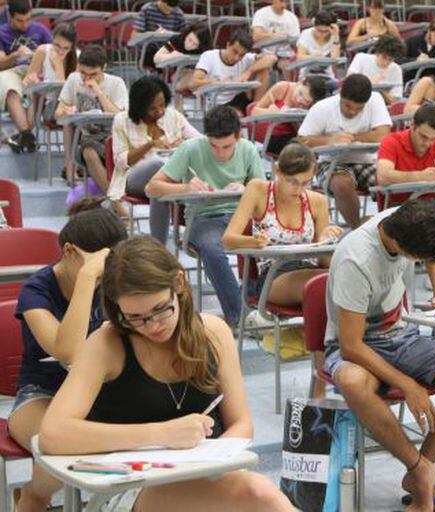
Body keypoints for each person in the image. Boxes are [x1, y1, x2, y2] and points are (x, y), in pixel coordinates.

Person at [37, 235, 294, 512]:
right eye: (135, 317)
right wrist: (163, 434)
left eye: (160, 309)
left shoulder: (213, 333)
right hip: (131, 484)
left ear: (179, 283)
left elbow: (242, 424)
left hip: (206, 470)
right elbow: (53, 434)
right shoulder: (106, 343)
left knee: (257, 493)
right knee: (257, 496)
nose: (152, 326)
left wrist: (205, 460)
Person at [324, 200, 435, 512]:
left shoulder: (406, 218)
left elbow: (432, 256)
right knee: (353, 381)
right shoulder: (356, 259)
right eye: (420, 259)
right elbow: (350, 346)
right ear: (401, 245)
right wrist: (407, 385)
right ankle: (420, 470)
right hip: (356, 344)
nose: (424, 263)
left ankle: (420, 475)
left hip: (401, 336)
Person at [9, 201, 127, 512]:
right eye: (99, 268)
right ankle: (34, 497)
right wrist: (87, 279)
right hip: (41, 393)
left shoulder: (112, 282)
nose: (105, 277)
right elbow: (68, 350)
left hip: (98, 393)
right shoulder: (36, 290)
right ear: (69, 252)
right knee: (61, 444)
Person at [222, 143, 342, 398]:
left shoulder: (317, 201)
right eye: (292, 182)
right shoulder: (258, 190)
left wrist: (326, 239)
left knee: (336, 284)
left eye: (305, 183)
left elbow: (324, 262)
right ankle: (323, 384)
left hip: (310, 272)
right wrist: (252, 241)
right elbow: (228, 239)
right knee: (330, 286)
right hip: (272, 277)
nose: (298, 189)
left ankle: (336, 373)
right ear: (277, 171)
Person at [145, 105, 266, 326]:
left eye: (226, 146)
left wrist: (246, 188)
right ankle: (240, 317)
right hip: (204, 218)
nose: (220, 152)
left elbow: (264, 194)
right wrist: (186, 188)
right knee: (212, 247)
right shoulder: (191, 148)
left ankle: (256, 299)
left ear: (238, 137)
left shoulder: (247, 149)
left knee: (269, 237)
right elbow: (151, 188)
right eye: (213, 146)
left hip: (241, 215)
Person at [377, 103, 435, 300]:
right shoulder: (392, 141)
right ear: (412, 125)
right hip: (402, 206)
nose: (427, 143)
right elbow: (383, 176)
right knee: (429, 224)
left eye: (433, 138)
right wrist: (419, 176)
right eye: (423, 136)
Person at [297, 73, 391, 228]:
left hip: (368, 161)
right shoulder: (322, 108)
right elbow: (302, 140)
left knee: (389, 180)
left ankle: (389, 229)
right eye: (347, 106)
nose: (352, 112)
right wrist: (329, 140)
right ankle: (358, 230)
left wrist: (351, 138)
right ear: (340, 96)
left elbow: (383, 134)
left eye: (359, 108)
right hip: (330, 163)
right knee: (342, 183)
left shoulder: (375, 100)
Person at [109, 75, 199, 207]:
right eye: (152, 109)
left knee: (168, 178)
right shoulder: (121, 121)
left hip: (171, 175)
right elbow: (121, 162)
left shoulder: (173, 116)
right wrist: (150, 145)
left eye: (162, 105)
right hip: (134, 177)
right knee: (158, 167)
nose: (160, 111)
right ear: (140, 108)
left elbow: (199, 140)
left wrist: (184, 145)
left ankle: (190, 207)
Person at [54, 45, 128, 201]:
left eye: (93, 74)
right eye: (83, 73)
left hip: (114, 137)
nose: (87, 78)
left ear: (104, 68)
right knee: (88, 150)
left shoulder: (116, 83)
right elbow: (58, 113)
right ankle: (116, 201)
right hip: (87, 139)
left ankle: (115, 199)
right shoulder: (73, 79)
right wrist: (67, 110)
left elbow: (120, 116)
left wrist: (98, 92)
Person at [22, 22, 78, 178]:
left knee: (71, 115)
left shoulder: (77, 57)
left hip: (72, 108)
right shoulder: (43, 51)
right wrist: (30, 81)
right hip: (49, 108)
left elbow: (72, 95)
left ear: (72, 47)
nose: (60, 51)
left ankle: (73, 167)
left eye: (66, 48)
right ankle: (71, 170)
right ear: (51, 40)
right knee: (67, 114)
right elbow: (25, 90)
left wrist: (59, 67)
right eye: (57, 46)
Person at [0, 0, 52, 153]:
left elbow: (55, 55)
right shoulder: (2, 32)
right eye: (20, 20)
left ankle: (25, 136)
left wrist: (38, 55)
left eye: (28, 19)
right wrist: (15, 55)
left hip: (37, 72)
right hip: (13, 71)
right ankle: (26, 134)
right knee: (8, 87)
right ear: (11, 17)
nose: (25, 24)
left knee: (31, 88)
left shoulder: (40, 29)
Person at [190, 29, 277, 114]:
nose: (236, 58)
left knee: (263, 71)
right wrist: (217, 82)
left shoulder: (246, 58)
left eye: (241, 55)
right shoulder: (209, 56)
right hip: (218, 104)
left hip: (237, 99)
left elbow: (272, 58)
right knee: (236, 114)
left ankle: (256, 109)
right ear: (228, 45)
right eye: (235, 52)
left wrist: (248, 71)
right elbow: (194, 82)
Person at [246, 76, 330, 155]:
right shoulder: (282, 87)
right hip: (272, 137)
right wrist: (271, 112)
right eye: (300, 93)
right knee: (299, 149)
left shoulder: (311, 106)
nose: (299, 100)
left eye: (306, 101)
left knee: (312, 144)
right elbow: (254, 111)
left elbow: (302, 132)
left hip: (293, 136)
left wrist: (295, 119)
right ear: (299, 83)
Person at [153, 22, 212, 99]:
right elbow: (156, 58)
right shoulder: (176, 40)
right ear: (187, 34)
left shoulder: (204, 50)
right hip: (174, 76)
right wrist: (171, 56)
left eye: (195, 44)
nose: (189, 45)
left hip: (194, 77)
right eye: (190, 40)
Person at [347, 34, 405, 105]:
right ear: (378, 52)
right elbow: (350, 82)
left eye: (390, 59)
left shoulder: (396, 69)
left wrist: (381, 92)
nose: (386, 62)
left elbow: (395, 100)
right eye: (384, 57)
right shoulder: (361, 58)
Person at [250, 0, 301, 73]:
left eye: (286, 2)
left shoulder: (292, 17)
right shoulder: (261, 13)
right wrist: (274, 36)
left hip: (286, 54)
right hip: (266, 53)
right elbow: (256, 36)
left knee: (292, 65)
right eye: (281, 1)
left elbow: (297, 43)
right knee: (268, 64)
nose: (284, 5)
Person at [295, 11, 341, 80]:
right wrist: (312, 56)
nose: (321, 34)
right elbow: (299, 57)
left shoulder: (333, 36)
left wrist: (336, 37)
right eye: (319, 30)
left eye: (325, 32)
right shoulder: (306, 34)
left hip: (327, 76)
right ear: (314, 26)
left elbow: (335, 60)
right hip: (307, 76)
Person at [402, 18, 435, 82]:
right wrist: (416, 60)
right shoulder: (412, 41)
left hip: (433, 81)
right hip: (411, 79)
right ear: (429, 31)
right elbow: (399, 60)